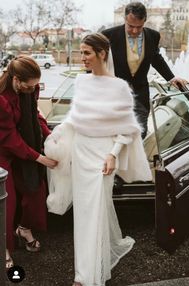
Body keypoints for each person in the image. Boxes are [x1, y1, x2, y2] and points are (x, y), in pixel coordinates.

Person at [44, 33, 152, 286]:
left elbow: (127, 127)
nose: (82, 58)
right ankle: (85, 272)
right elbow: (77, 116)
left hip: (103, 156)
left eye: (87, 53)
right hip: (81, 152)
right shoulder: (81, 82)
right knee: (84, 214)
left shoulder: (119, 87)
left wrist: (113, 154)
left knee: (94, 212)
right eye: (81, 52)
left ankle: (88, 277)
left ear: (102, 53)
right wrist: (59, 131)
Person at [0, 55, 57, 269]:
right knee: (7, 200)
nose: (32, 89)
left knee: (36, 191)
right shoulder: (2, 99)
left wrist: (49, 135)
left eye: (35, 86)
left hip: (25, 144)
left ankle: (23, 228)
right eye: (29, 85)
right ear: (16, 79)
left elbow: (34, 114)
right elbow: (9, 138)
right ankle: (3, 247)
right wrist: (40, 157)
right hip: (3, 150)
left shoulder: (29, 89)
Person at [102, 1, 187, 139]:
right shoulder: (108, 35)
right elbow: (98, 61)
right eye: (131, 26)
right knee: (115, 135)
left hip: (140, 94)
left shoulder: (153, 36)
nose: (135, 31)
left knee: (140, 132)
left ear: (145, 21)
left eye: (139, 27)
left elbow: (156, 59)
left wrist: (171, 78)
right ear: (125, 19)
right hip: (115, 95)